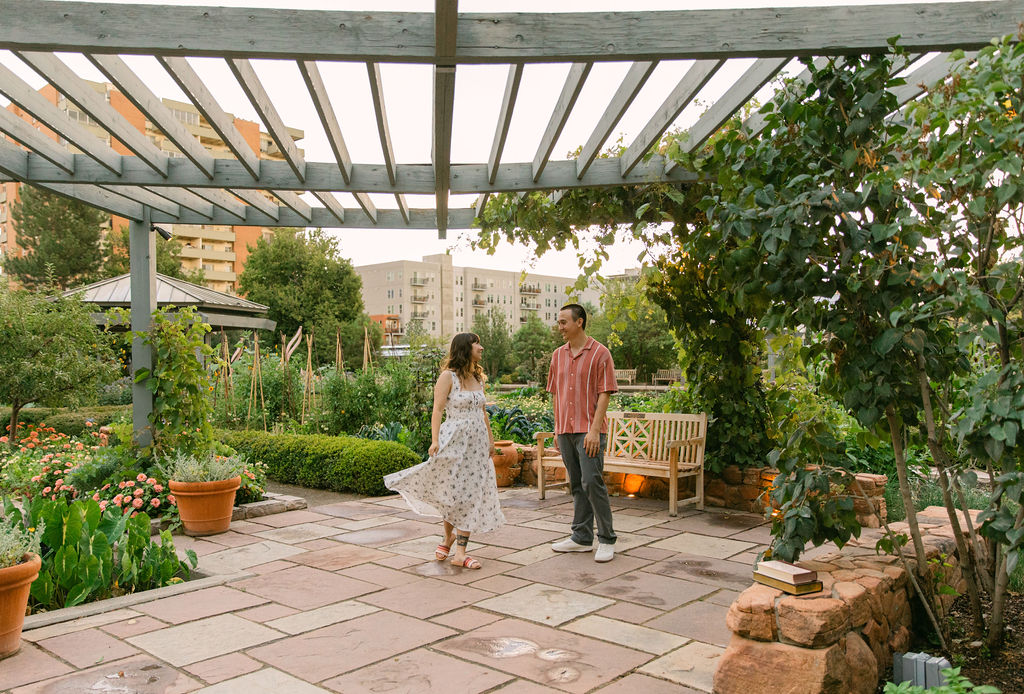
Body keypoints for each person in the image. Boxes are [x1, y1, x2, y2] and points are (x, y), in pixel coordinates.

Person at [384, 332, 504, 569]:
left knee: (470, 492)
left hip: (477, 444)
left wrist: (491, 440)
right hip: (455, 441)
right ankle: (449, 538)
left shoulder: (478, 377)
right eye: (476, 343)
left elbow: (482, 412)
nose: (481, 347)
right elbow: (437, 410)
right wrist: (434, 440)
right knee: (451, 490)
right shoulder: (448, 377)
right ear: (464, 348)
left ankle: (459, 550)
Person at [547, 304, 618, 562]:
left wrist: (594, 430)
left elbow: (605, 393)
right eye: (559, 322)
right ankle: (581, 537)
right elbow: (556, 394)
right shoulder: (557, 356)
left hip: (589, 431)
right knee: (576, 484)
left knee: (591, 482)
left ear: (579, 322)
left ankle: (607, 539)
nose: (560, 327)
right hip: (565, 430)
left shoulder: (601, 353)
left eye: (564, 322)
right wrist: (557, 429)